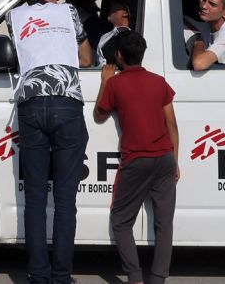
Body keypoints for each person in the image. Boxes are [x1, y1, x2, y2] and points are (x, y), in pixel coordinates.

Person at [8, 0, 94, 284]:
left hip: (30, 105)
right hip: (66, 102)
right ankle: (62, 276)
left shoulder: (12, 17)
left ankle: (37, 275)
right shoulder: (68, 12)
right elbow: (86, 58)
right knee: (65, 200)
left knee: (34, 198)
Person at [94, 31, 179, 284]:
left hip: (136, 161)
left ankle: (135, 278)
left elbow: (99, 115)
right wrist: (175, 159)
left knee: (121, 221)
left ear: (119, 56)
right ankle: (158, 279)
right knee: (164, 224)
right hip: (164, 157)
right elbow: (171, 124)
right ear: (142, 54)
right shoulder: (159, 82)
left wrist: (105, 81)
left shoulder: (116, 84)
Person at [96, 0, 132, 67]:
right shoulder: (105, 36)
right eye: (110, 9)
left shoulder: (130, 37)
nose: (111, 11)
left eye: (114, 9)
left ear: (125, 14)